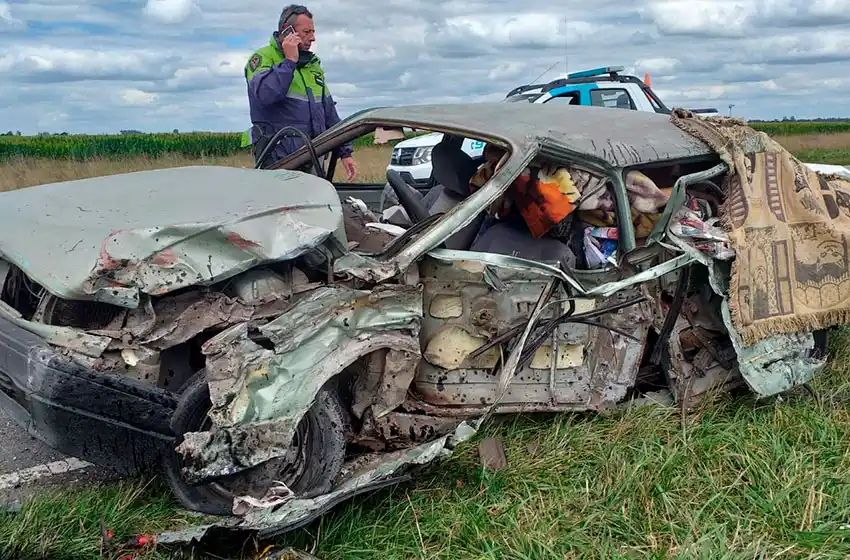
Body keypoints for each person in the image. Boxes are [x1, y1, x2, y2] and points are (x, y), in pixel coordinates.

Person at [242, 4, 357, 178]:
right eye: (306, 32)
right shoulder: (262, 59)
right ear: (287, 32)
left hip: (313, 158)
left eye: (313, 32)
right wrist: (289, 62)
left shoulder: (312, 67)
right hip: (280, 161)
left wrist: (345, 153)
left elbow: (329, 114)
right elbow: (266, 95)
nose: (312, 38)